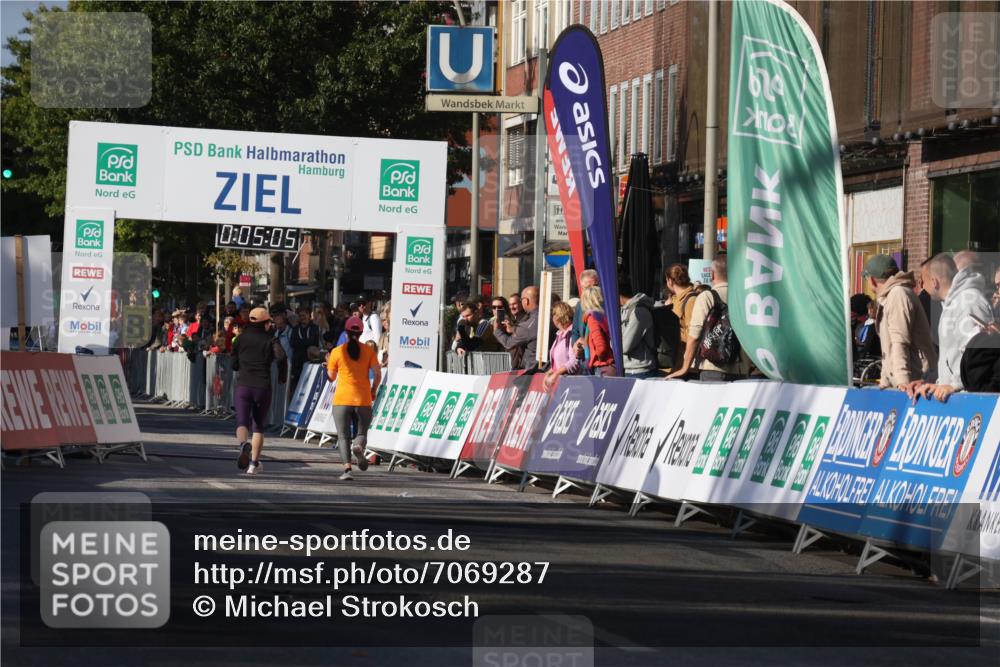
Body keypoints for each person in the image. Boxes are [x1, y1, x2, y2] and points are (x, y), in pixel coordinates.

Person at [904, 252, 992, 398]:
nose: (921, 287)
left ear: (934, 282)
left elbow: (978, 353)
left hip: (968, 398)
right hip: (957, 396)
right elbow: (950, 358)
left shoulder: (968, 302)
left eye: (923, 281)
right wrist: (933, 382)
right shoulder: (952, 304)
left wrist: (955, 384)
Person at [862, 254, 937, 389]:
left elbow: (900, 341)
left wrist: (903, 382)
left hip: (915, 380)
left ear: (872, 280)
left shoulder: (898, 294)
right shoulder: (891, 295)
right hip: (908, 378)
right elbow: (888, 348)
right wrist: (885, 381)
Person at [667, 254, 746, 381]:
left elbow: (694, 336)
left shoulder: (707, 297)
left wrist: (684, 368)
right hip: (741, 368)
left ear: (712, 274)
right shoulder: (744, 298)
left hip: (712, 367)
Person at [232, 307, 286, 475]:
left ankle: (243, 445)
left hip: (244, 385)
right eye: (269, 322)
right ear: (264, 323)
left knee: (242, 423)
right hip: (263, 387)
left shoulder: (240, 339)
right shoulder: (271, 340)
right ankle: (253, 464)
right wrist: (282, 375)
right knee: (258, 427)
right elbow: (282, 357)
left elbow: (233, 364)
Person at [327, 316, 381, 481]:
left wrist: (327, 363)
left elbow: (331, 377)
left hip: (342, 399)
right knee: (361, 432)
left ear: (346, 331)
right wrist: (373, 390)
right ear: (362, 332)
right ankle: (358, 447)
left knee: (343, 436)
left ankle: (347, 469)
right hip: (363, 398)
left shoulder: (337, 351)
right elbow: (377, 374)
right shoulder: (369, 351)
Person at [665, 264, 704, 371]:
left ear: (670, 281)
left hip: (683, 363)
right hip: (673, 360)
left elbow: (692, 334)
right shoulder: (674, 299)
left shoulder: (691, 300)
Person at [619, 277, 659, 378]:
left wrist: (612, 341)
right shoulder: (624, 310)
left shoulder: (639, 312)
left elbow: (624, 347)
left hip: (641, 370)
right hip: (630, 369)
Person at [494, 286, 540, 370]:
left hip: (527, 366)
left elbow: (509, 343)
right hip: (512, 363)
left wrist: (497, 330)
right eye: (510, 305)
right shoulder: (508, 319)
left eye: (514, 304)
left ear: (523, 302)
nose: (512, 307)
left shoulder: (528, 320)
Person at [577, 286, 615, 376]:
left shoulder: (592, 317)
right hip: (610, 365)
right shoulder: (604, 315)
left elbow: (601, 347)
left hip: (602, 367)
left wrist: (597, 358)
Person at [543, 302, 579, 389]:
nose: (552, 318)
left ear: (557, 317)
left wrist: (556, 374)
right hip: (560, 385)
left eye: (553, 315)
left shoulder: (571, 334)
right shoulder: (559, 334)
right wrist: (548, 374)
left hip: (571, 385)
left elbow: (574, 362)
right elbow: (558, 363)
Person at [571, 269, 600, 363]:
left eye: (595, 286)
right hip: (584, 358)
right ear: (582, 288)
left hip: (599, 358)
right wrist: (576, 345)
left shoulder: (606, 304)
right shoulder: (580, 305)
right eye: (588, 288)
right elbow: (575, 330)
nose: (592, 291)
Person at [289, 306, 319, 392]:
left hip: (310, 362)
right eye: (300, 316)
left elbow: (312, 341)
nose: (302, 318)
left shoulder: (314, 328)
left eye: (304, 315)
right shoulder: (295, 329)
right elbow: (292, 343)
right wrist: (305, 343)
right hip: (297, 364)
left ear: (309, 315)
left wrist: (301, 343)